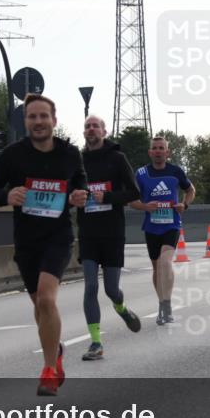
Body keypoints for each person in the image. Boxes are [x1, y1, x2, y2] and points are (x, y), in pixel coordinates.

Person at [0, 94, 87, 396]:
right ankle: (56, 351)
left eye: (44, 116)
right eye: (32, 117)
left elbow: (79, 180)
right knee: (40, 307)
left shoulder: (69, 153)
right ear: (25, 121)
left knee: (45, 298)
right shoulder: (14, 155)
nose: (38, 122)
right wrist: (7, 196)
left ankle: (49, 371)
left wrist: (80, 193)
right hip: (26, 240)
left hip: (58, 236)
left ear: (54, 120)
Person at [77, 115, 143, 361]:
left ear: (104, 131)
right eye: (87, 126)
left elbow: (134, 192)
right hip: (88, 232)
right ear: (83, 132)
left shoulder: (117, 158)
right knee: (91, 286)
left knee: (111, 289)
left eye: (95, 126)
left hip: (112, 232)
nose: (91, 129)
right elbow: (68, 191)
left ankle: (122, 308)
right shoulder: (78, 162)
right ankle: (96, 342)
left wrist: (109, 197)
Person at [129, 136, 196, 326]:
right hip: (151, 226)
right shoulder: (141, 174)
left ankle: (167, 305)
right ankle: (161, 303)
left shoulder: (176, 171)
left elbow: (190, 190)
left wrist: (184, 204)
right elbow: (131, 201)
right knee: (156, 267)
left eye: (161, 148)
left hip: (171, 224)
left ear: (168, 152)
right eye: (155, 148)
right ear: (150, 152)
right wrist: (145, 207)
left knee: (166, 262)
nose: (158, 151)